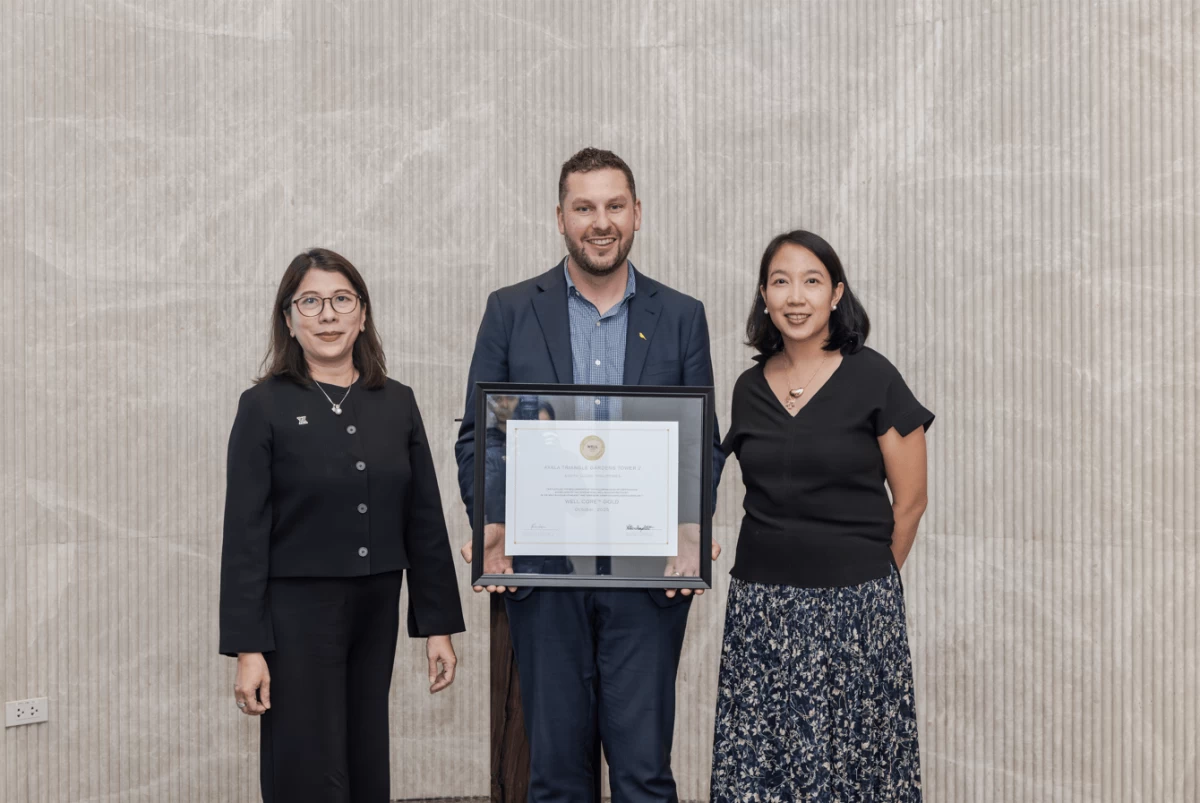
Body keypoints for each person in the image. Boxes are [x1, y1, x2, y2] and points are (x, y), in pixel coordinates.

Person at [455, 148, 724, 802]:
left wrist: (690, 528)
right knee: (554, 778)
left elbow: (701, 446)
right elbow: (479, 435)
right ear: (560, 218)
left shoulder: (682, 314)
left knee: (643, 775)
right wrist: (493, 519)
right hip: (543, 575)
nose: (600, 222)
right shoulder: (511, 310)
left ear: (637, 214)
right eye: (584, 207)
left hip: (646, 580)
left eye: (614, 205)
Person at [219, 247, 466, 803]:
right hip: (295, 615)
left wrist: (437, 627)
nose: (327, 314)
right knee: (307, 762)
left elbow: (423, 519)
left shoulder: (397, 402)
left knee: (364, 754)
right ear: (288, 318)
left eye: (340, 299)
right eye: (310, 301)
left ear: (361, 314)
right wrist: (248, 648)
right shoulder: (262, 406)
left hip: (377, 605)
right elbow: (244, 536)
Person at [711, 230, 932, 802]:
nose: (796, 296)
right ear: (764, 295)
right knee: (761, 771)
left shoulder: (875, 377)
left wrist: (868, 584)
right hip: (760, 614)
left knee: (852, 774)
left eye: (812, 281)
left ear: (836, 293)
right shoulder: (747, 388)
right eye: (781, 282)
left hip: (855, 611)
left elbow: (911, 501)